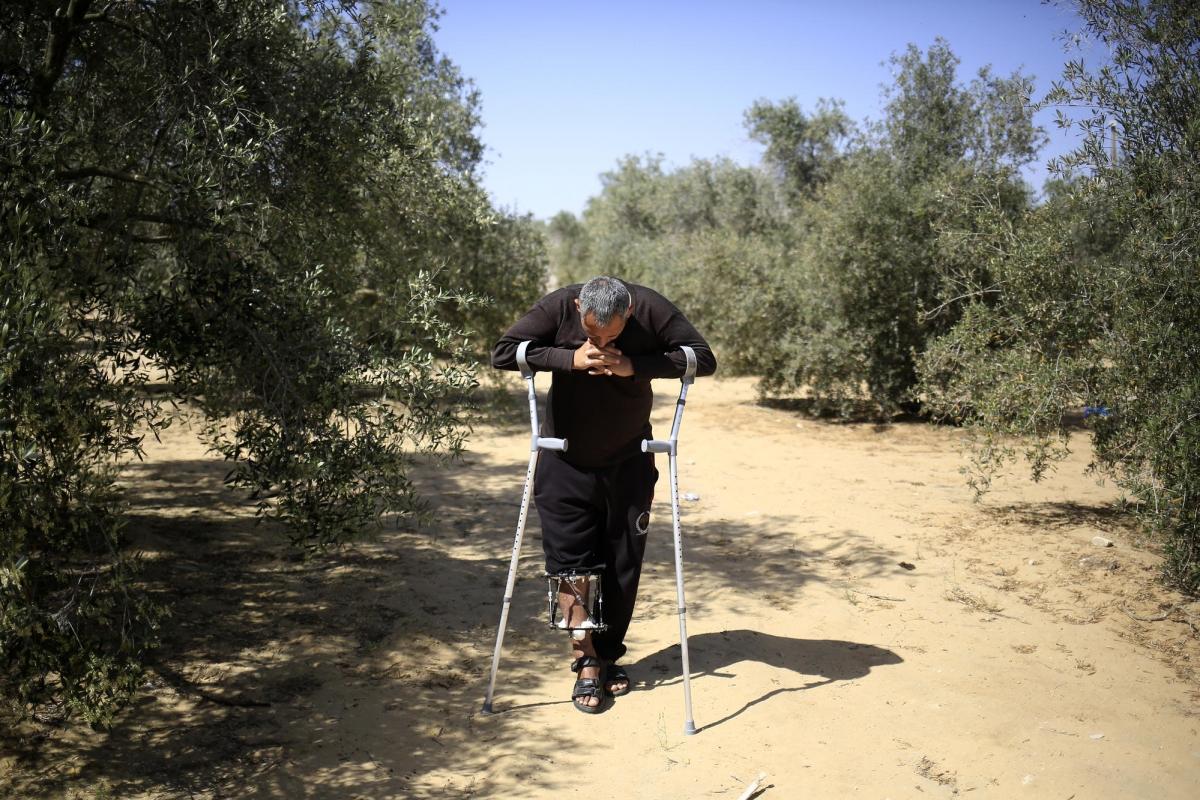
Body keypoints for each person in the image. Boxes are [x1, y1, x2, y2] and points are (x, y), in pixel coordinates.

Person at [491, 276, 716, 713]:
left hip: (631, 459)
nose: (601, 342)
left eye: (610, 336)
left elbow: (702, 358)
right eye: (593, 334)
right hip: (564, 457)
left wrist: (635, 364)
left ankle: (609, 654)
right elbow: (504, 351)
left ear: (628, 312)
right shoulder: (558, 306)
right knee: (569, 563)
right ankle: (585, 659)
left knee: (622, 563)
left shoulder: (651, 307)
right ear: (578, 307)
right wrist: (569, 358)